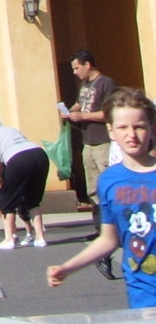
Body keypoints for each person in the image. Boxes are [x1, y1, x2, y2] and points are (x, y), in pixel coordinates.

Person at [51, 87, 156, 308]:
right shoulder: (109, 181)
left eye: (139, 127)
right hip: (143, 293)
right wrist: (68, 268)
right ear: (111, 131)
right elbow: (109, 239)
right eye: (123, 127)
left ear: (152, 128)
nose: (131, 135)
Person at [0, 112, 51, 249]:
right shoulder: (9, 129)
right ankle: (40, 238)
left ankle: (9, 239)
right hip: (39, 154)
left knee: (7, 200)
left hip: (17, 159)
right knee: (33, 199)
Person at [67, 51, 121, 215]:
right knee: (93, 187)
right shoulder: (84, 85)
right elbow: (79, 103)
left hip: (103, 141)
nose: (75, 72)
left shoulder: (106, 83)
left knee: (107, 182)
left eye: (77, 68)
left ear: (87, 65)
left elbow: (109, 112)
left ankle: (114, 223)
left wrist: (83, 116)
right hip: (88, 141)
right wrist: (69, 111)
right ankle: (100, 226)